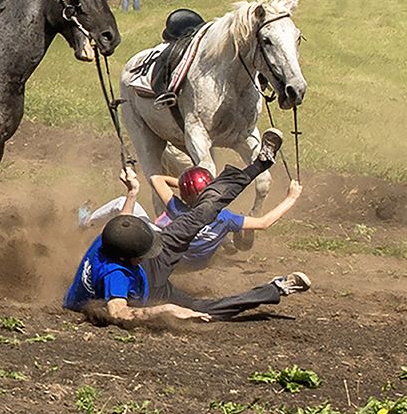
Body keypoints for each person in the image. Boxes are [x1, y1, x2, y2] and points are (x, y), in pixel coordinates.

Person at [64, 129, 311, 325]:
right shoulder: (116, 276)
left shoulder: (114, 238)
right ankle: (276, 288)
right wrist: (168, 309)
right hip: (151, 290)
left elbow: (123, 222)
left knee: (204, 211)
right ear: (129, 258)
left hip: (144, 265)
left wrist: (132, 192)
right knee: (206, 310)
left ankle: (259, 164)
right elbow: (119, 313)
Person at [150, 166, 302, 265]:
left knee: (150, 224)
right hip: (199, 265)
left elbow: (156, 179)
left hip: (173, 264)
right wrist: (291, 198)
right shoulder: (225, 218)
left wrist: (187, 185)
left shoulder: (178, 210)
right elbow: (264, 223)